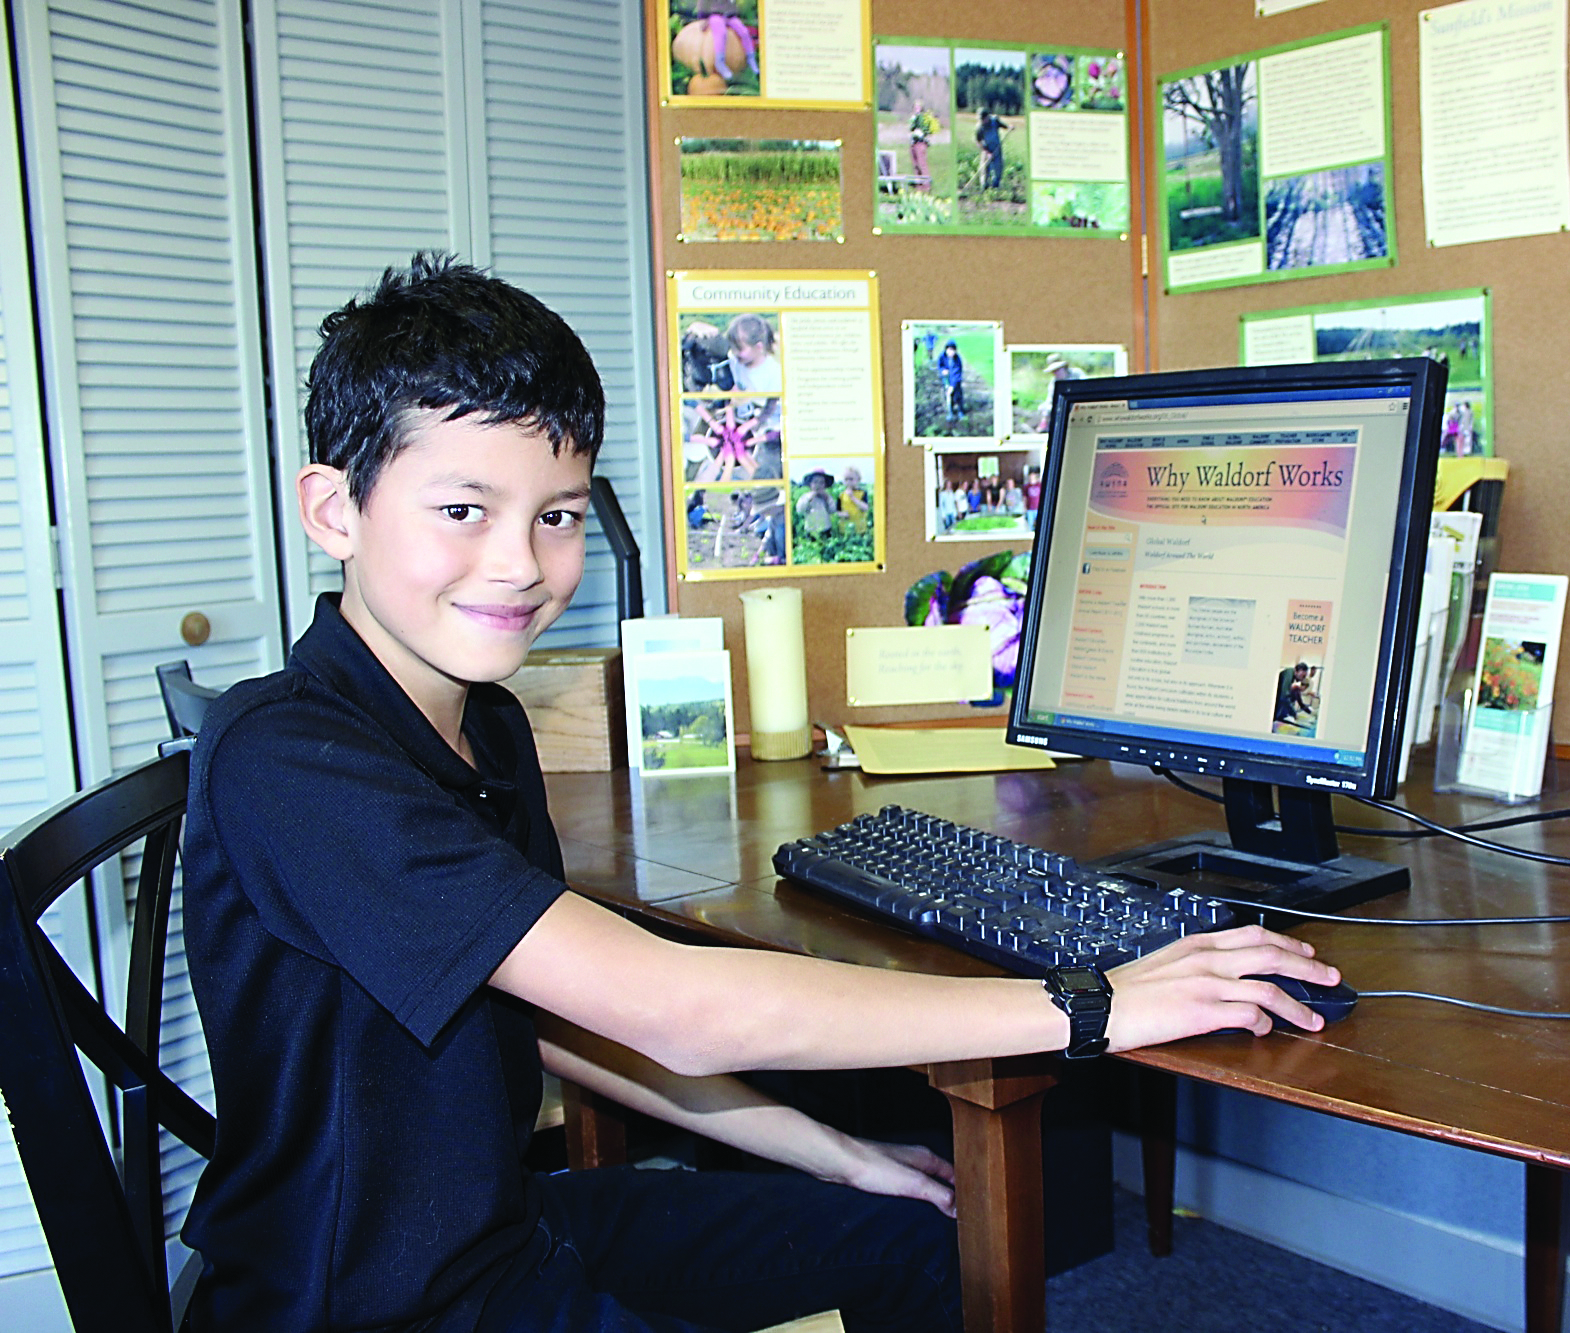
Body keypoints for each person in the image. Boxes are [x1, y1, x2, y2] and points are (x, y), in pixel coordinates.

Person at [179, 253, 1336, 1333]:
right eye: (462, 509)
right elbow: (672, 1006)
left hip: (497, 1231)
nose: (521, 563)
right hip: (370, 1301)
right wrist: (1095, 1004)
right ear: (334, 509)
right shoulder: (293, 759)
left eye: (558, 514)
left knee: (909, 1240)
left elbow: (539, 1016)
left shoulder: (480, 721)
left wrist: (827, 1148)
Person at [724, 313, 782, 394]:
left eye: (740, 349)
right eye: (732, 347)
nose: (734, 352)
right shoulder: (734, 362)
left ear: (758, 347)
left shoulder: (775, 374)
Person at [797, 468, 837, 537]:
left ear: (825, 485)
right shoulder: (806, 497)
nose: (818, 485)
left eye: (821, 483)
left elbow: (832, 510)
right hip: (810, 529)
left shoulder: (827, 497)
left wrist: (827, 499)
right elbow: (800, 510)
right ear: (810, 484)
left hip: (825, 529)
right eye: (815, 482)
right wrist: (809, 499)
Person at [907, 99, 936, 191]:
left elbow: (927, 130)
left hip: (921, 143)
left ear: (922, 108)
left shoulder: (924, 118)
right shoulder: (913, 117)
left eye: (919, 107)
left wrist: (921, 133)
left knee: (922, 163)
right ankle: (918, 184)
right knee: (915, 164)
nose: (917, 108)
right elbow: (911, 128)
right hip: (913, 142)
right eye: (915, 107)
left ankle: (926, 185)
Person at [936, 338, 965, 423]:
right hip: (946, 380)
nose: (951, 352)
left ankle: (960, 411)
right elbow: (939, 366)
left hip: (956, 382)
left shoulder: (957, 359)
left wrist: (952, 386)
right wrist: (942, 371)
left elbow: (957, 373)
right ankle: (950, 412)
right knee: (948, 397)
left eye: (953, 350)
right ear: (946, 349)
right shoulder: (942, 356)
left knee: (958, 397)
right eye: (949, 350)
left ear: (955, 351)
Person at [839, 465, 871, 530]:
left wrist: (852, 497)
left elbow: (866, 508)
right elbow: (837, 511)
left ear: (858, 479)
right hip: (845, 529)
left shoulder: (862, 493)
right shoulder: (841, 495)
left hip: (860, 527)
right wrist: (842, 514)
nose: (848, 482)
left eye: (851, 479)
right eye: (846, 479)